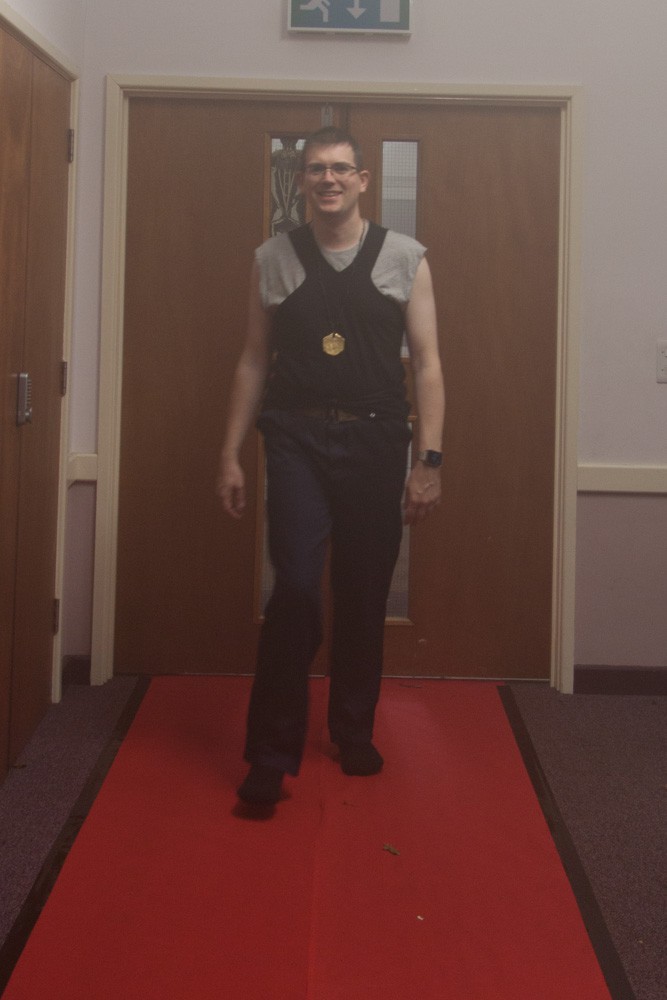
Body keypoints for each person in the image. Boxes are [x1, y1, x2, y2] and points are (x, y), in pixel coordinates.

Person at [216, 127, 444, 807]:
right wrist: (229, 452)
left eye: (341, 168)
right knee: (293, 589)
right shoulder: (272, 258)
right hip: (296, 439)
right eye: (316, 169)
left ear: (362, 180)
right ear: (302, 180)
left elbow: (427, 364)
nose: (328, 179)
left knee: (364, 590)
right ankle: (270, 753)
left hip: (376, 441)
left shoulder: (404, 257)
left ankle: (352, 730)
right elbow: (252, 359)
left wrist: (428, 460)